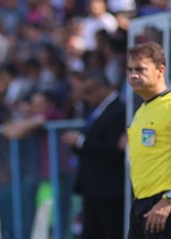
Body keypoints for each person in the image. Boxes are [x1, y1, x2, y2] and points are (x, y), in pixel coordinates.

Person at [61, 69, 126, 239]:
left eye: (89, 92)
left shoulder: (118, 111)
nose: (86, 98)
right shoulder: (96, 111)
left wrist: (81, 142)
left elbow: (114, 150)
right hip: (93, 191)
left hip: (109, 192)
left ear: (102, 88)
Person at [126, 41, 171, 239]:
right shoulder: (141, 110)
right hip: (141, 205)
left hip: (163, 205)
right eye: (130, 69)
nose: (133, 75)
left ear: (161, 70)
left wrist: (168, 200)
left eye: (141, 69)